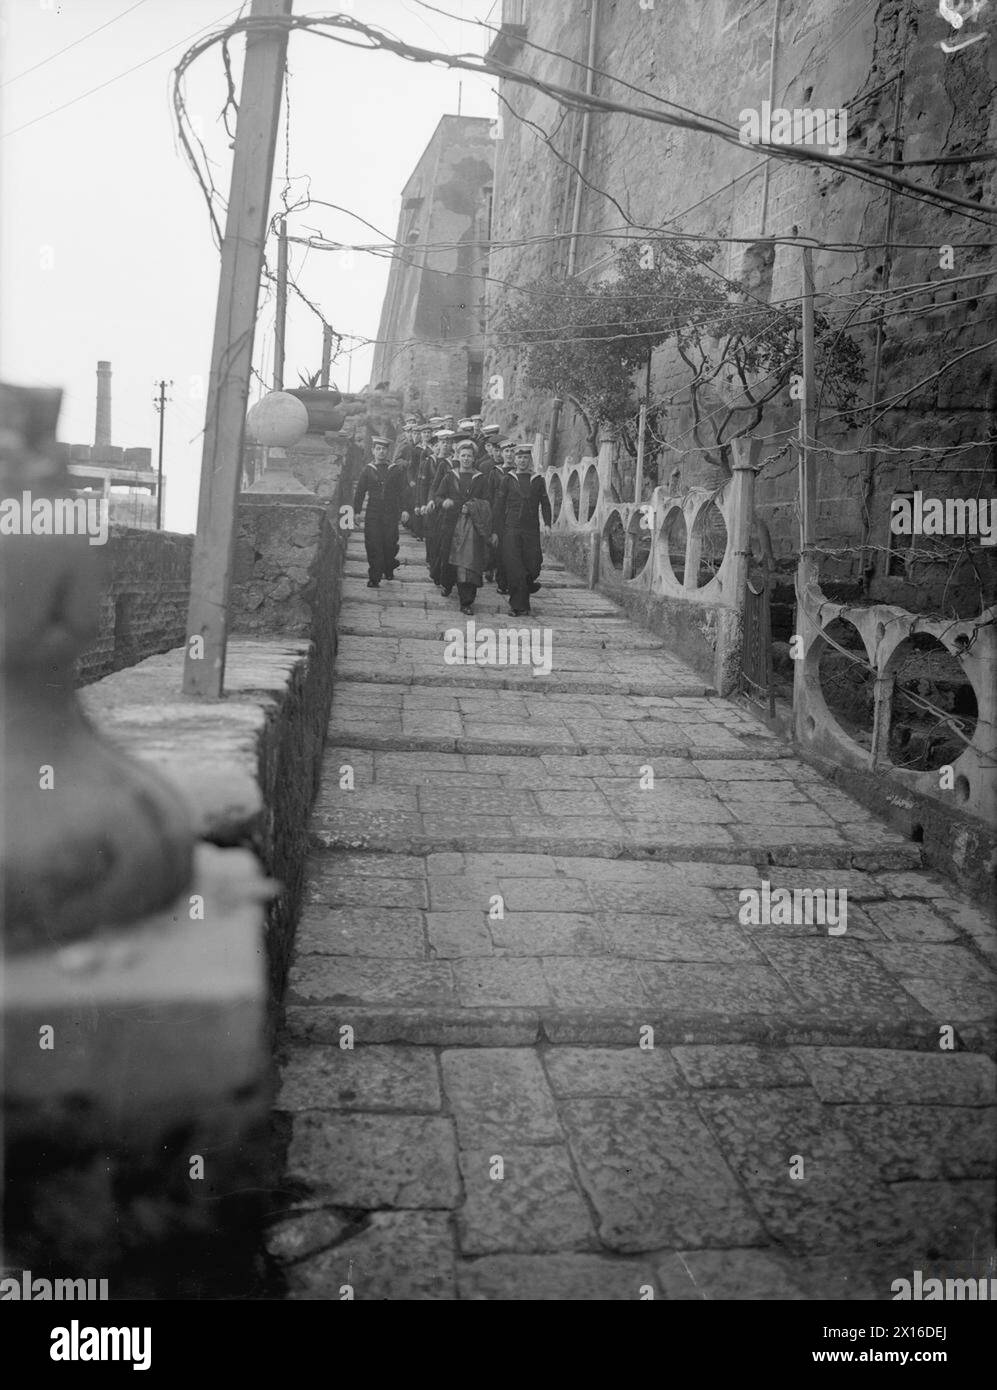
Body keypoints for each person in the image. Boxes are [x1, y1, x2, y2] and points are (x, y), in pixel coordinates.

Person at [432, 439, 494, 608]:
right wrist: (443, 502)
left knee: (468, 562)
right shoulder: (450, 476)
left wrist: (473, 507)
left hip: (472, 527)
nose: (466, 458)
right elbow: (438, 496)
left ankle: (466, 601)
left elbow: (488, 502)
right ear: (458, 456)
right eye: (463, 455)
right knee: (447, 557)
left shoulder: (480, 479)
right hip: (450, 523)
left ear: (474, 458)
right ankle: (447, 583)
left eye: (469, 456)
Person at [500, 443, 551, 616]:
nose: (522, 461)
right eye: (519, 457)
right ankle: (518, 606)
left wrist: (548, 524)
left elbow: (545, 503)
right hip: (511, 528)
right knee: (516, 568)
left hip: (531, 529)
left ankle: (528, 585)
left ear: (530, 460)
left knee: (534, 565)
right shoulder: (507, 479)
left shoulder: (537, 479)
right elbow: (499, 504)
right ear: (514, 459)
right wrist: (495, 529)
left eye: (525, 458)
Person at [353, 436, 409, 587]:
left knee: (390, 543)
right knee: (373, 544)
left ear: (388, 451)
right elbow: (360, 492)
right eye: (378, 449)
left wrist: (404, 510)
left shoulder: (395, 470)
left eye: (384, 449)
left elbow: (403, 491)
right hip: (373, 513)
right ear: (373, 451)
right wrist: (357, 511)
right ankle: (374, 576)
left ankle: (389, 565)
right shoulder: (368, 470)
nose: (381, 452)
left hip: (391, 513)